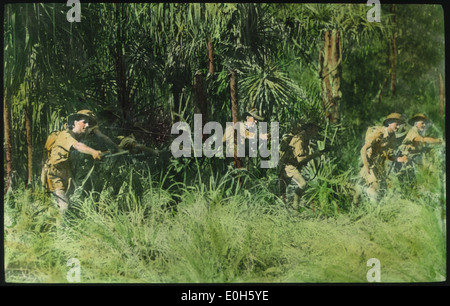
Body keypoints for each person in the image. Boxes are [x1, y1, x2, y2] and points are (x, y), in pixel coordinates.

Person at [41, 111, 102, 216]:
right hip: (55, 175)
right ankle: (60, 231)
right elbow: (78, 146)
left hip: (67, 175)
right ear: (75, 122)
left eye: (88, 123)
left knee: (65, 206)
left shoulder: (73, 136)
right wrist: (93, 152)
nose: (87, 125)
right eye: (84, 122)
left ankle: (56, 224)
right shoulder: (65, 135)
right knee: (64, 206)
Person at [359, 113, 408, 200]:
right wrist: (366, 165)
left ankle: (364, 194)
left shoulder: (392, 136)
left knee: (383, 191)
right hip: (370, 163)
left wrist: (398, 159)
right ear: (389, 123)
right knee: (374, 190)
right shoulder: (379, 133)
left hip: (380, 165)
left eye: (399, 125)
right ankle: (366, 196)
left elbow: (388, 156)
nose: (398, 127)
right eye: (396, 124)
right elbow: (363, 150)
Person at [278, 122, 321, 210]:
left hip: (290, 165)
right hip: (289, 166)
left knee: (282, 190)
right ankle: (294, 207)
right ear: (309, 129)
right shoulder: (300, 139)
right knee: (302, 184)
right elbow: (300, 159)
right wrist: (314, 155)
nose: (316, 132)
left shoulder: (305, 138)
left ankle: (290, 209)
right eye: (315, 130)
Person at [396, 113, 443, 181]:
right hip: (408, 157)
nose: (424, 125)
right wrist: (438, 141)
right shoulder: (413, 131)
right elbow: (421, 139)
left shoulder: (419, 132)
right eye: (422, 123)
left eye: (425, 124)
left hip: (414, 155)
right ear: (416, 123)